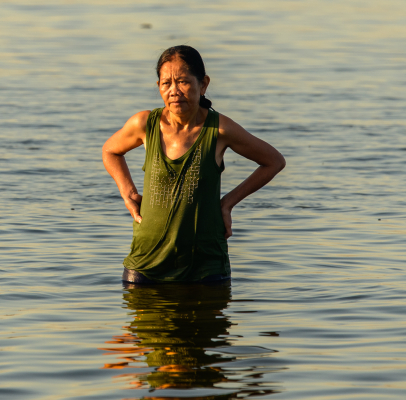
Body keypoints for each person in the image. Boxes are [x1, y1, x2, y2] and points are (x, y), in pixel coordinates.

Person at [102, 45, 285, 284]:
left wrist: (227, 203)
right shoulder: (145, 124)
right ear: (158, 87)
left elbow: (273, 161)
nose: (174, 91)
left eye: (183, 82)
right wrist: (127, 192)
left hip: (205, 269)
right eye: (166, 83)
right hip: (145, 268)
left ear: (203, 84)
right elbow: (110, 151)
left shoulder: (219, 130)